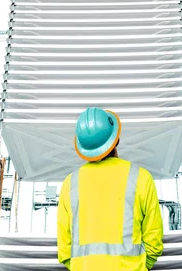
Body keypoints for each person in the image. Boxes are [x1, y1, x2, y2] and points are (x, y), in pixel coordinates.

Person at [57, 107, 164, 271]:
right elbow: (154, 241)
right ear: (116, 140)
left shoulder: (70, 183)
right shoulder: (141, 177)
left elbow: (64, 249)